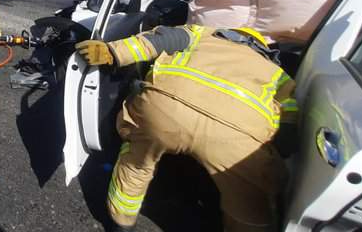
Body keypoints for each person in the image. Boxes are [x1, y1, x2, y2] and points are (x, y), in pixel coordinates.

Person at [76, 25, 298, 232]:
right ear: (261, 47)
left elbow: (157, 41)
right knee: (247, 200)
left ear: (228, 33)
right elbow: (290, 117)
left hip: (165, 111)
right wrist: (281, 146)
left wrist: (113, 52)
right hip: (237, 136)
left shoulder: (203, 34)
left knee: (136, 164)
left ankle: (121, 220)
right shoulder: (277, 73)